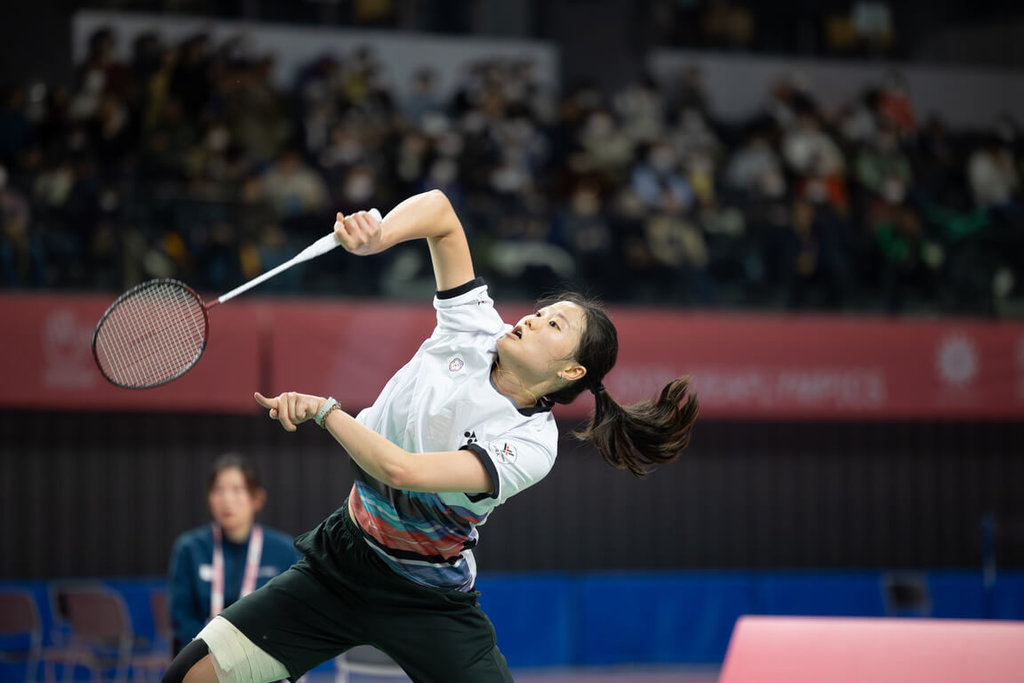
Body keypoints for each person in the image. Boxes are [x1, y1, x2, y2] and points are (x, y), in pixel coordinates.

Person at [163, 189, 698, 683]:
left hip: (427, 598)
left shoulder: (532, 444)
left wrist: (327, 412)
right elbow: (441, 214)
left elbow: (403, 472)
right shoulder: (473, 324)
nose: (533, 321)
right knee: (189, 676)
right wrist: (380, 236)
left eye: (554, 326)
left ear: (571, 373)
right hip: (342, 563)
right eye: (541, 312)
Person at [167, 454, 301, 655]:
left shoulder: (284, 551)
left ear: (257, 499)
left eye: (237, 490)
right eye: (218, 491)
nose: (227, 500)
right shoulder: (190, 549)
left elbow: (293, 616)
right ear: (209, 498)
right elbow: (182, 616)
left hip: (263, 659)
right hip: (203, 658)